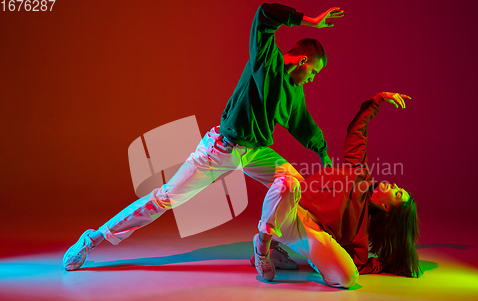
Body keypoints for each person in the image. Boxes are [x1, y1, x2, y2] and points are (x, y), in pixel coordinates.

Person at [63, 3, 345, 271]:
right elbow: (264, 14)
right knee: (165, 198)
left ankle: (269, 246)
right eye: (314, 72)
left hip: (255, 152)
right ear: (303, 60)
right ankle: (92, 240)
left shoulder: (294, 91)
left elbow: (302, 123)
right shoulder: (266, 59)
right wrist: (312, 21)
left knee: (292, 182)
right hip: (221, 148)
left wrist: (323, 154)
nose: (312, 78)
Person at [251, 92, 420, 287]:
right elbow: (357, 133)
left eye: (397, 193)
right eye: (399, 188)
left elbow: (359, 263)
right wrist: (376, 100)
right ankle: (262, 248)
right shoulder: (360, 174)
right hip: (293, 209)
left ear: (387, 208)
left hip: (308, 234)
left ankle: (295, 254)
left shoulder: (361, 233)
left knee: (348, 278)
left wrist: (389, 264)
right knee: (287, 184)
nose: (395, 186)